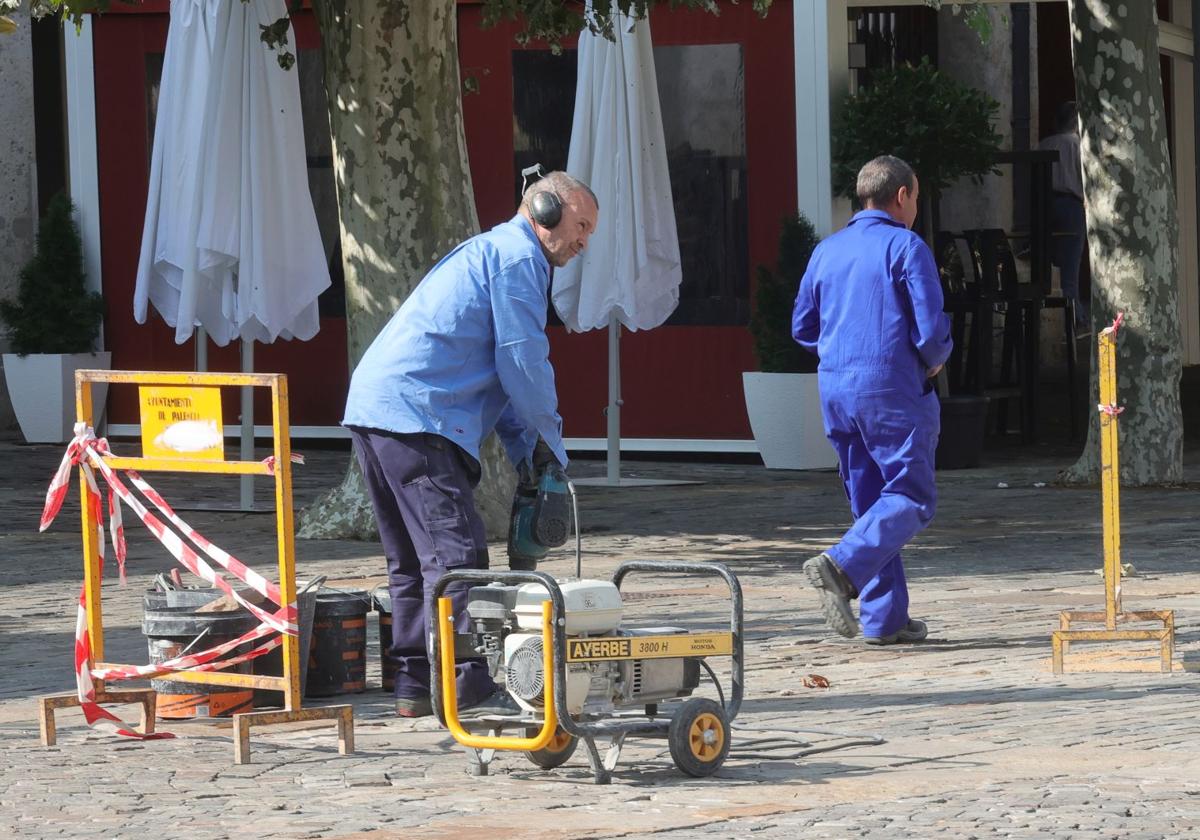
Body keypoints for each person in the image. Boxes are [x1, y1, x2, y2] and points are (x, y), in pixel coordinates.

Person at [342, 171, 599, 716]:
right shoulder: (518, 260)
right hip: (418, 415)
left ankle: (414, 687)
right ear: (546, 210)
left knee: (410, 561)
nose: (583, 242)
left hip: (376, 410)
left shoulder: (492, 252)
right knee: (458, 559)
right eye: (580, 226)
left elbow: (503, 386)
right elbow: (523, 364)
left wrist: (528, 452)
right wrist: (553, 445)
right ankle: (465, 685)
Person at [792, 155, 952, 645]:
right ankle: (840, 566)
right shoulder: (907, 246)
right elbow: (930, 330)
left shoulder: (826, 251)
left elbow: (802, 327)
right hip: (892, 388)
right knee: (911, 496)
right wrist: (936, 357)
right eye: (917, 197)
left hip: (837, 389)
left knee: (871, 504)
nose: (916, 206)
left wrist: (842, 352)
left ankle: (884, 619)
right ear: (902, 195)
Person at [1037, 100, 1089, 330]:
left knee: (1048, 265)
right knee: (1070, 267)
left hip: (1045, 205)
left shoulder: (1044, 144)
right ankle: (1075, 319)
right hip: (1072, 205)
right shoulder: (1079, 145)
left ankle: (1061, 319)